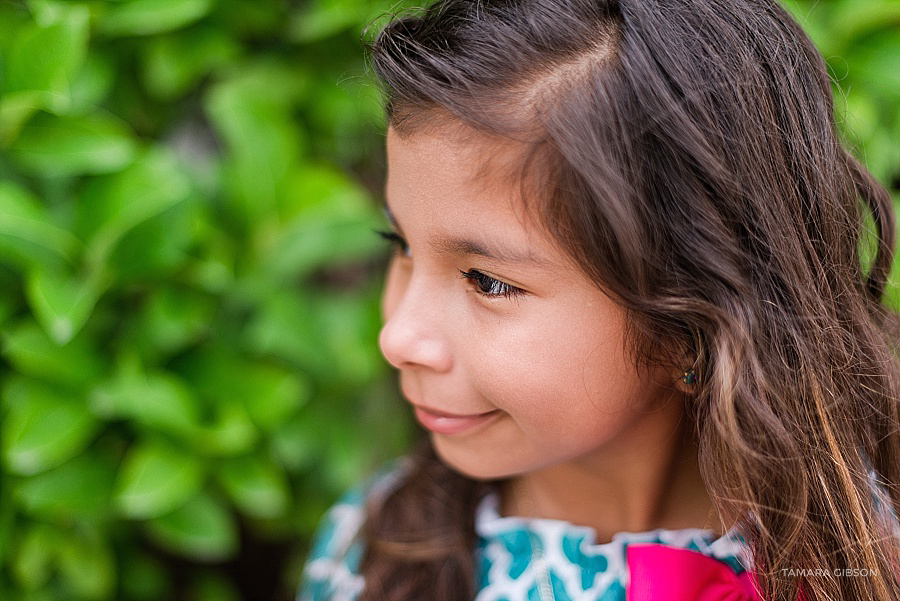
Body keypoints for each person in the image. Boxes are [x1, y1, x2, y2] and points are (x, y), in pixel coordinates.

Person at [298, 0, 900, 599]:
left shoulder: (865, 556)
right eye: (400, 244)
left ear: (693, 315)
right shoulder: (372, 550)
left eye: (490, 281)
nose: (397, 336)